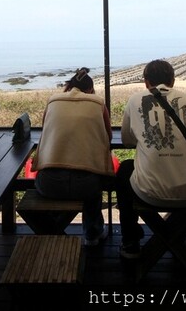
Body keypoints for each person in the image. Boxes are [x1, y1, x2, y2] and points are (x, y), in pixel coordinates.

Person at [116, 59, 186, 258]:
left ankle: (130, 241)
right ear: (172, 80)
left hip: (147, 192)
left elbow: (127, 141)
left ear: (146, 81)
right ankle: (181, 232)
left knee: (125, 170)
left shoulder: (135, 100)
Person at [32, 67, 114, 245]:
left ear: (69, 86)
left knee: (52, 181)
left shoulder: (53, 101)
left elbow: (46, 128)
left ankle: (53, 229)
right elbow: (108, 138)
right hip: (86, 187)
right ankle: (92, 234)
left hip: (49, 185)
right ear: (91, 89)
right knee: (94, 182)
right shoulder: (98, 103)